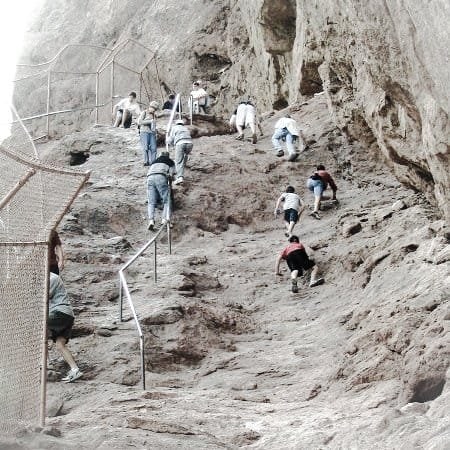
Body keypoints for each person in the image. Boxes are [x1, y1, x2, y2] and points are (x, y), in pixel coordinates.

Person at [48, 273, 83, 383]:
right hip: (68, 315)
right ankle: (75, 369)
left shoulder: (52, 278)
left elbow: (45, 295)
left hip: (60, 312)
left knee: (38, 329)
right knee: (60, 344)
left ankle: (46, 365)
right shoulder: (50, 278)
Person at [147, 150, 175, 230]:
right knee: (167, 200)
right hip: (161, 177)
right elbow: (171, 175)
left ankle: (151, 220)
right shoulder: (170, 161)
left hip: (149, 178)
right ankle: (164, 219)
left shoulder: (154, 162)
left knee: (151, 202)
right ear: (168, 156)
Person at [167, 119, 193, 185]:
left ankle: (180, 177)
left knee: (178, 161)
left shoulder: (174, 128)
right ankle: (183, 165)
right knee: (184, 155)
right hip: (190, 143)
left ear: (176, 123)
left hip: (180, 143)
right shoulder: (185, 128)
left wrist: (168, 142)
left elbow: (171, 139)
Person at [138, 101, 159, 166]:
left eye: (155, 109)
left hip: (152, 132)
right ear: (150, 107)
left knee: (154, 148)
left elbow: (155, 124)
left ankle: (153, 161)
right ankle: (146, 161)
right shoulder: (144, 112)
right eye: (153, 108)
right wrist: (150, 121)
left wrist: (156, 131)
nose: (153, 110)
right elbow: (139, 122)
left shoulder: (154, 115)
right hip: (144, 131)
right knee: (145, 147)